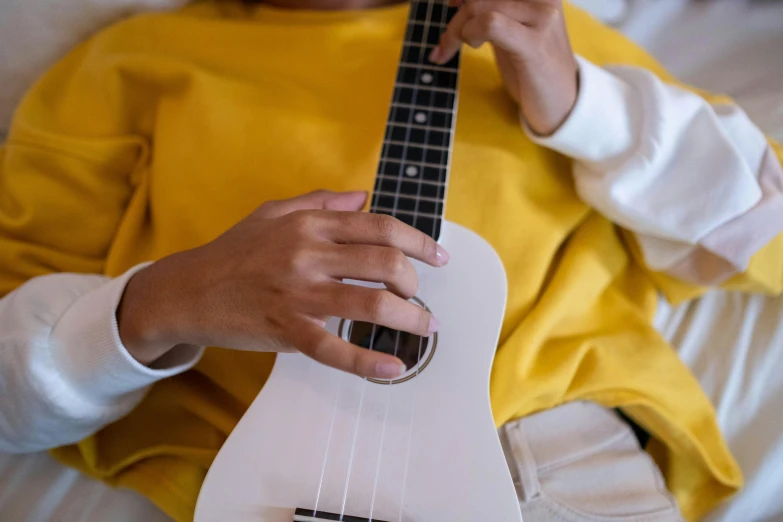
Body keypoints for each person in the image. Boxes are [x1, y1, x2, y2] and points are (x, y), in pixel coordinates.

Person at [1, 0, 782, 520]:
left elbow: (759, 230)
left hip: (562, 455)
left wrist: (583, 104)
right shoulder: (122, 66)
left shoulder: (532, 29)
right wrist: (170, 300)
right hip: (275, 477)